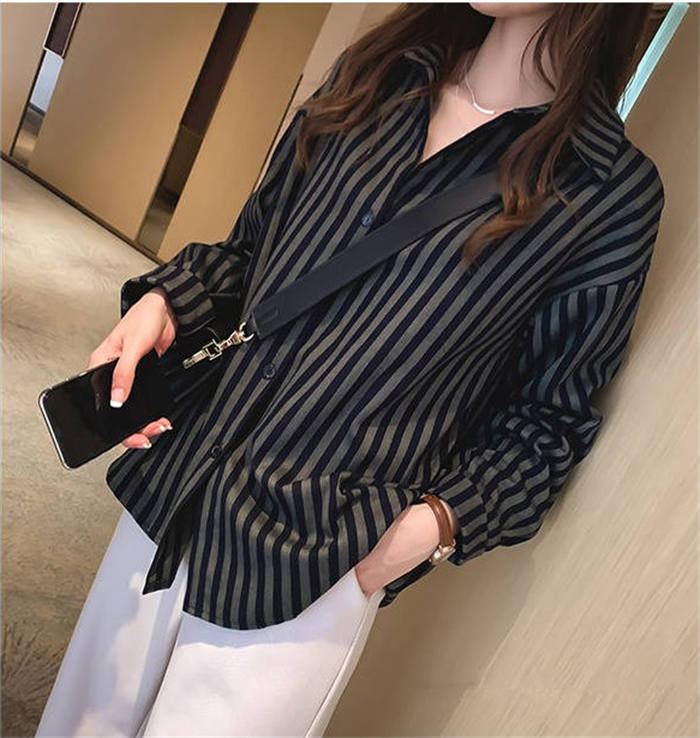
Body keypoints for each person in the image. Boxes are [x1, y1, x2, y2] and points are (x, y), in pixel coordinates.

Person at [36, 2, 664, 736]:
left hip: (311, 561)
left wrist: (422, 533)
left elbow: (547, 421)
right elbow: (252, 253)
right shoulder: (379, 73)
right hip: (176, 484)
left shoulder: (606, 191)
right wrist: (166, 302)